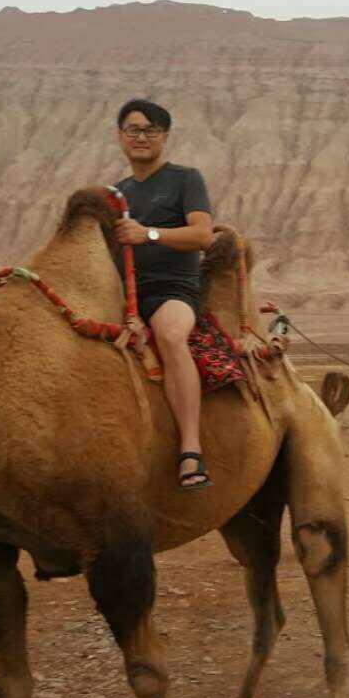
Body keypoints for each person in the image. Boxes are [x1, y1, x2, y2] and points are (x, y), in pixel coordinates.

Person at [111, 98, 217, 490]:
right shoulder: (116, 194)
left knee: (172, 336)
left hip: (172, 290)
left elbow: (203, 235)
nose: (141, 137)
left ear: (164, 137)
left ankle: (191, 449)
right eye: (133, 130)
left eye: (150, 130)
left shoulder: (185, 179)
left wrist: (148, 233)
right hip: (125, 296)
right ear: (119, 136)